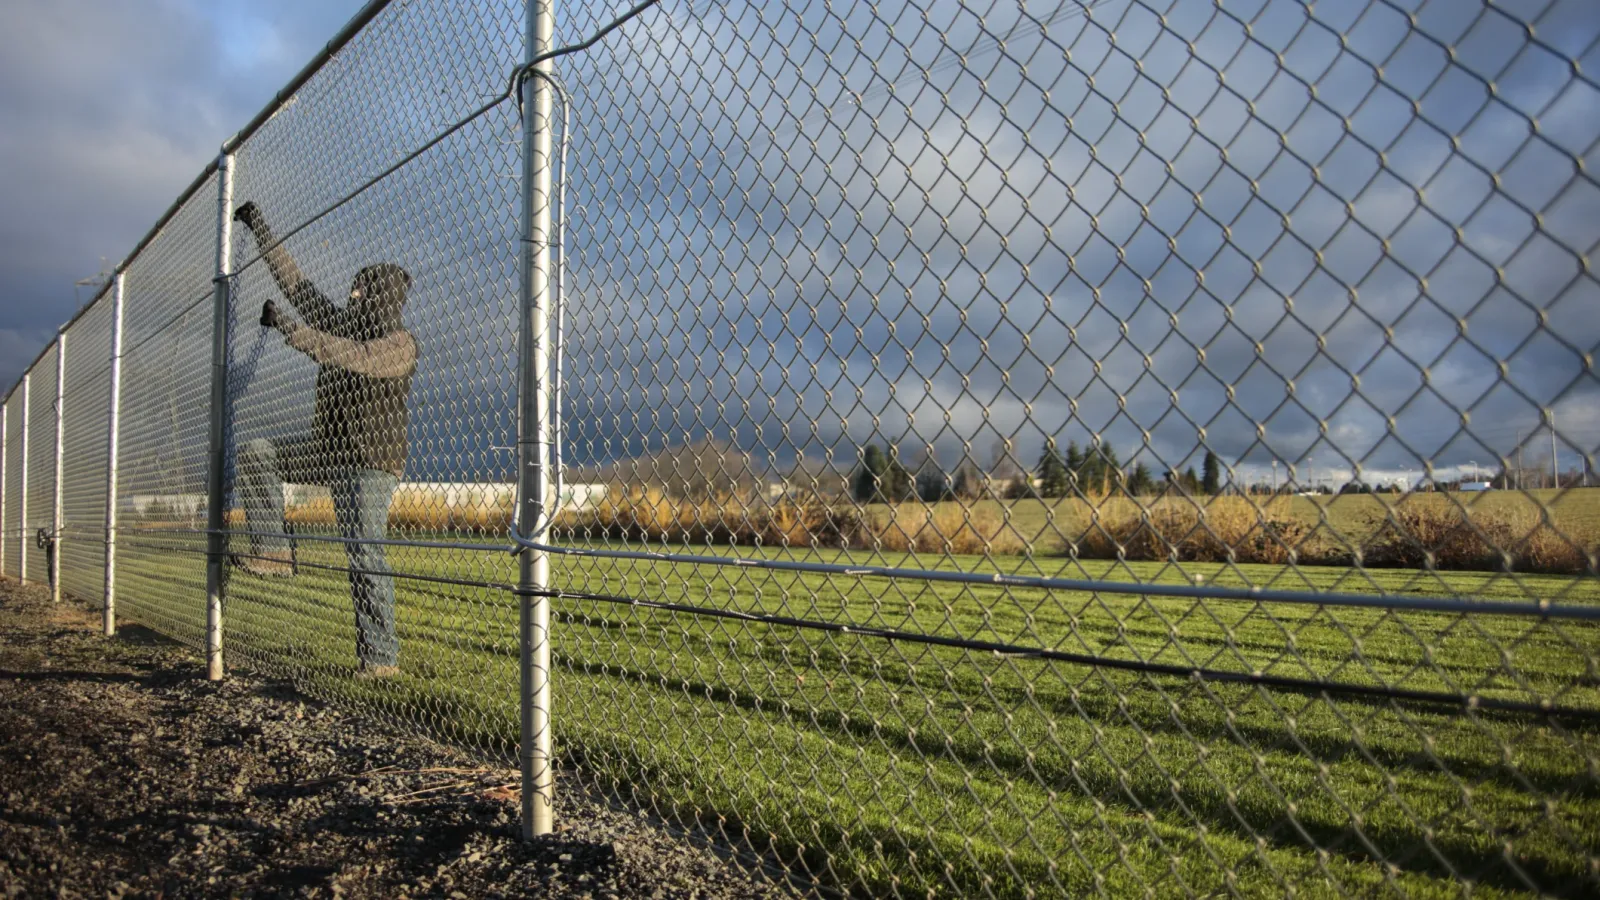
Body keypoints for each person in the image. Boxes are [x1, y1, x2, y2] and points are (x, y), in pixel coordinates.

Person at [230, 201, 418, 678]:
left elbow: (354, 357)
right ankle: (273, 550)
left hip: (369, 463)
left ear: (379, 295)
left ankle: (380, 660)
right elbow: (297, 286)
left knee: (364, 551)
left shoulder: (400, 345)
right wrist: (260, 228)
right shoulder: (343, 325)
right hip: (328, 453)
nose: (351, 294)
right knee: (257, 454)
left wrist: (292, 330)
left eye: (360, 288)